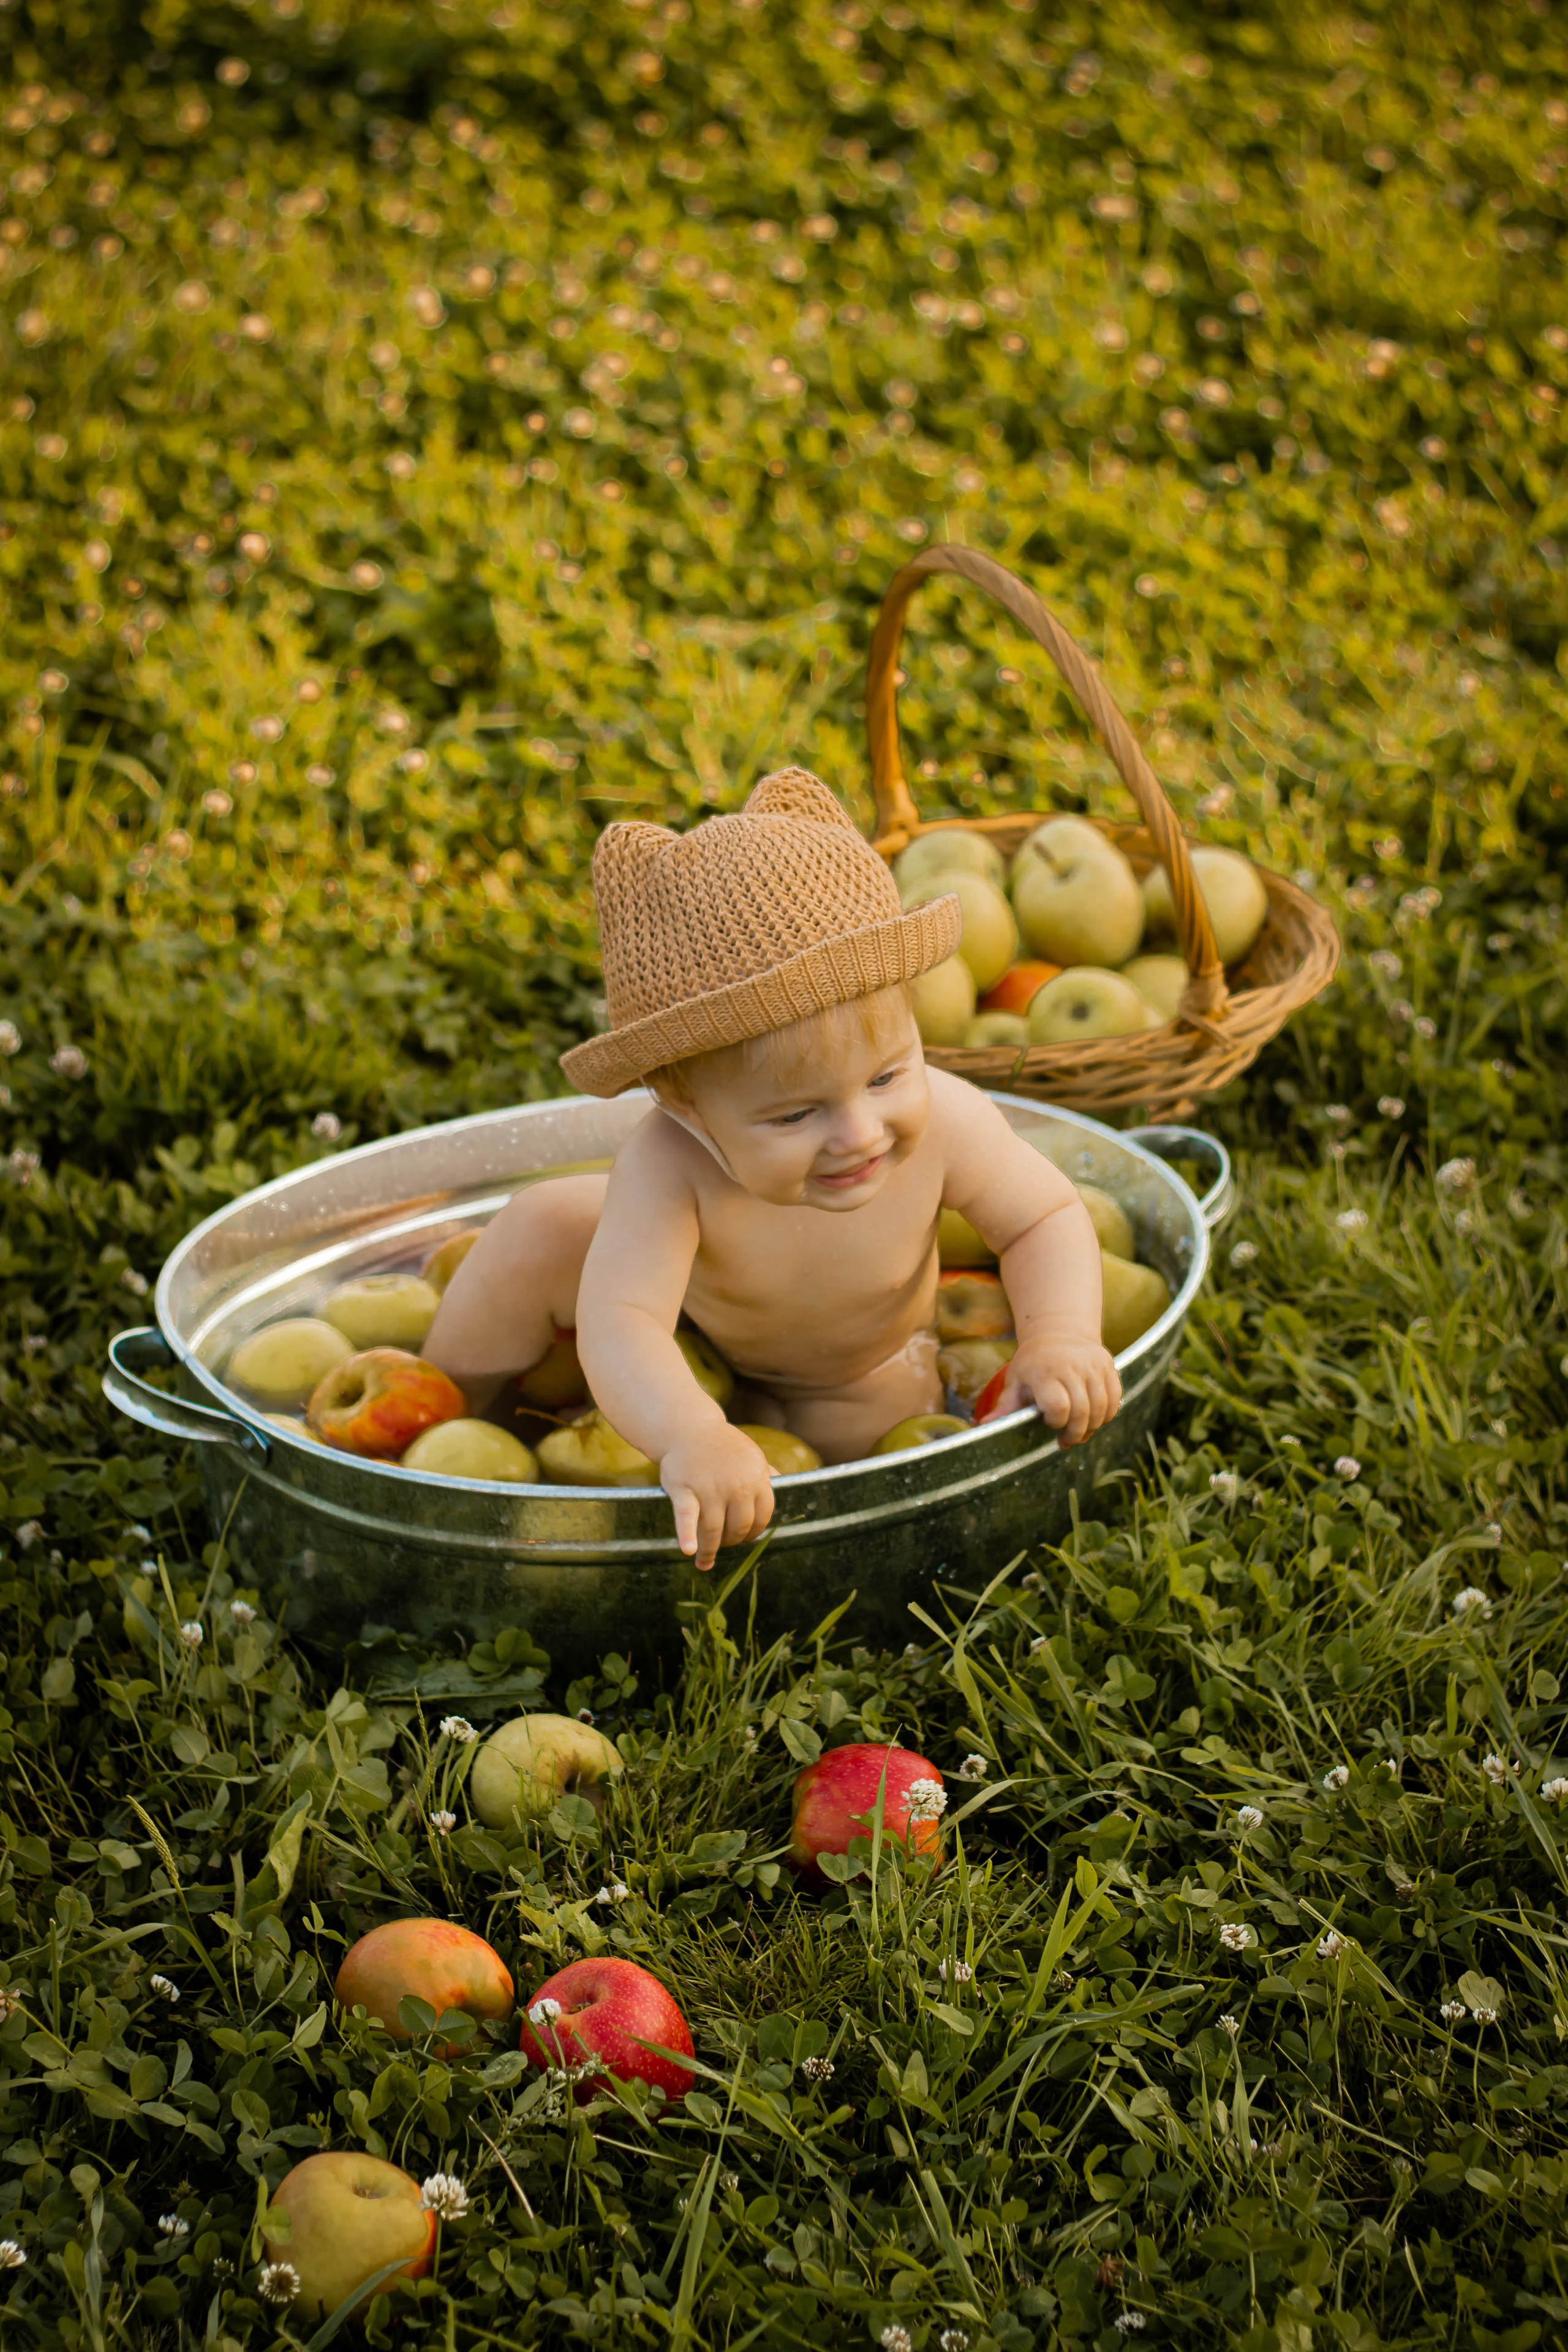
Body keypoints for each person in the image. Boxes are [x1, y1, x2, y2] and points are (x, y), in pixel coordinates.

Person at [423, 769, 1120, 1569]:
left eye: (888, 1077)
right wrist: (688, 1432)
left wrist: (1059, 1336)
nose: (859, 1134)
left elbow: (1043, 1219)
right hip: (696, 1329)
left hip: (847, 1374)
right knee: (543, 1223)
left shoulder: (950, 1122)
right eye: (795, 1115)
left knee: (851, 1462)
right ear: (687, 1106)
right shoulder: (668, 1162)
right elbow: (626, 1320)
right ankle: (444, 1429)